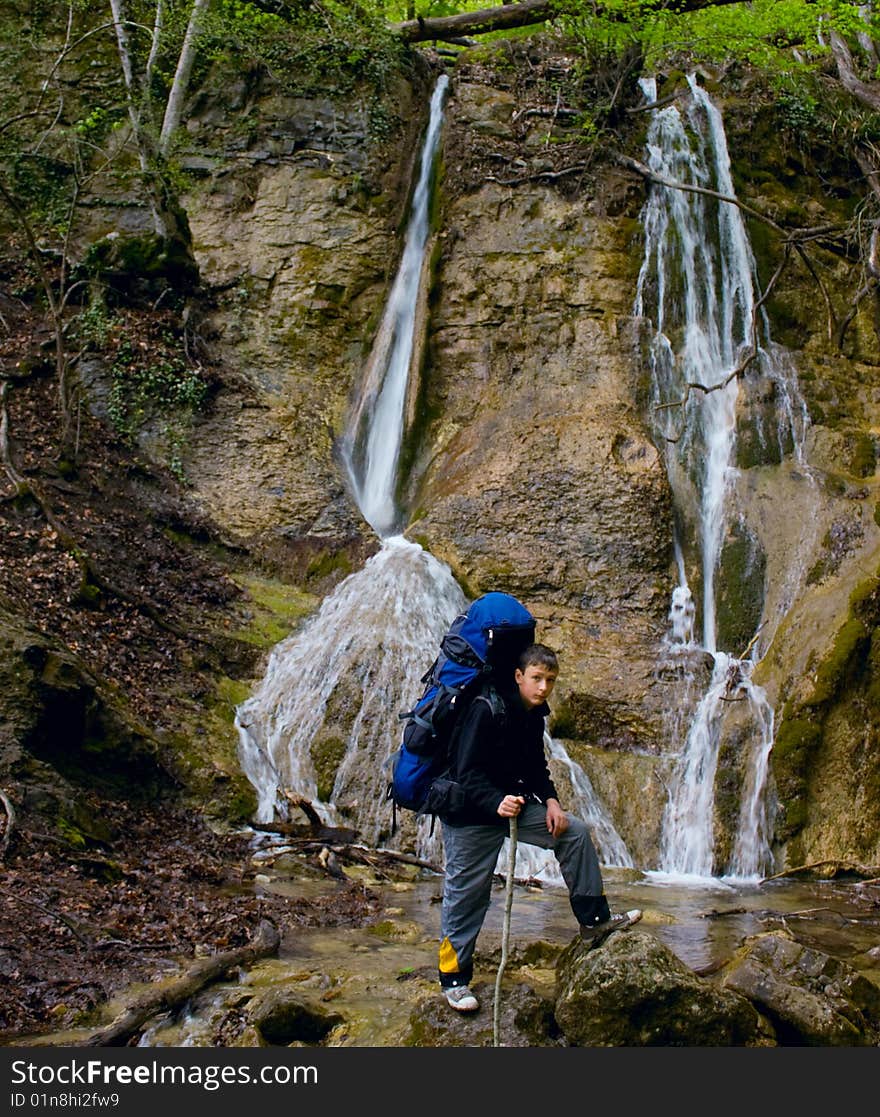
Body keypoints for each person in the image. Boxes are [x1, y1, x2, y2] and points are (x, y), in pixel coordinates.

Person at [436, 642, 642, 1013]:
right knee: (467, 894)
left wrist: (551, 801)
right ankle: (453, 980)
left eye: (550, 680)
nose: (543, 687)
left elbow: (534, 768)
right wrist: (494, 801)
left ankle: (595, 922)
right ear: (519, 676)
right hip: (470, 813)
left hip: (513, 807)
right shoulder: (484, 708)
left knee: (574, 832)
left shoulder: (533, 715)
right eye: (536, 678)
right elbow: (465, 772)